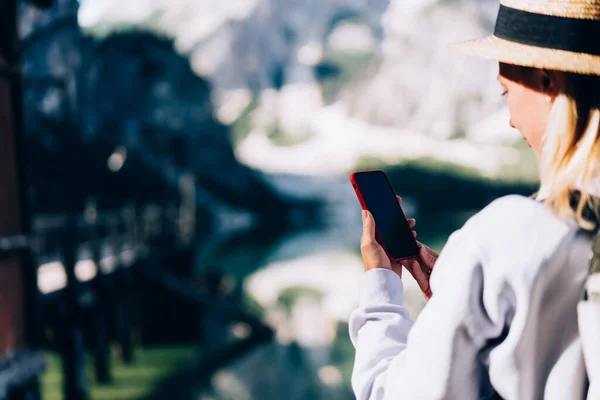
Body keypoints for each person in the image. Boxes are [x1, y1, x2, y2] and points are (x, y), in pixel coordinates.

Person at [349, 0, 600, 399]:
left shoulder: (505, 239)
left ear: (547, 80)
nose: (511, 120)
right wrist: (461, 299)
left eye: (506, 93)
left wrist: (380, 292)